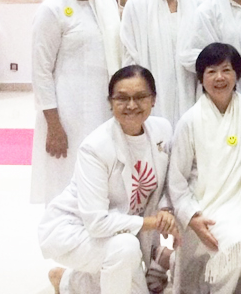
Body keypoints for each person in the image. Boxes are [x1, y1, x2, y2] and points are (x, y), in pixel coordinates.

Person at [40, 65, 177, 294]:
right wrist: (154, 223)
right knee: (125, 249)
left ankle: (65, 281)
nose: (131, 105)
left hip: (120, 232)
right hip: (76, 229)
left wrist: (166, 211)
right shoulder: (95, 148)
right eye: (122, 98)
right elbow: (96, 222)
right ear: (110, 102)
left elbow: (165, 184)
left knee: (125, 260)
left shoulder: (162, 130)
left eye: (140, 97)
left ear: (153, 99)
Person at [31, 0, 122, 204]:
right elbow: (41, 71)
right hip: (66, 113)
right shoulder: (52, 9)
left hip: (103, 108)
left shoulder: (106, 2)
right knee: (67, 178)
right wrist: (54, 126)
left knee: (102, 173)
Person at [168, 43, 241, 293]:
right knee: (237, 244)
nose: (219, 77)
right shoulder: (189, 120)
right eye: (211, 72)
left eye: (226, 70)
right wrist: (192, 217)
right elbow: (176, 180)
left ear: (238, 74)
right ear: (201, 78)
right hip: (202, 213)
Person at [121, 0, 201, 126]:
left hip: (189, 89)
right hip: (151, 92)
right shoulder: (136, 5)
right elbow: (129, 54)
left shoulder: (198, 6)